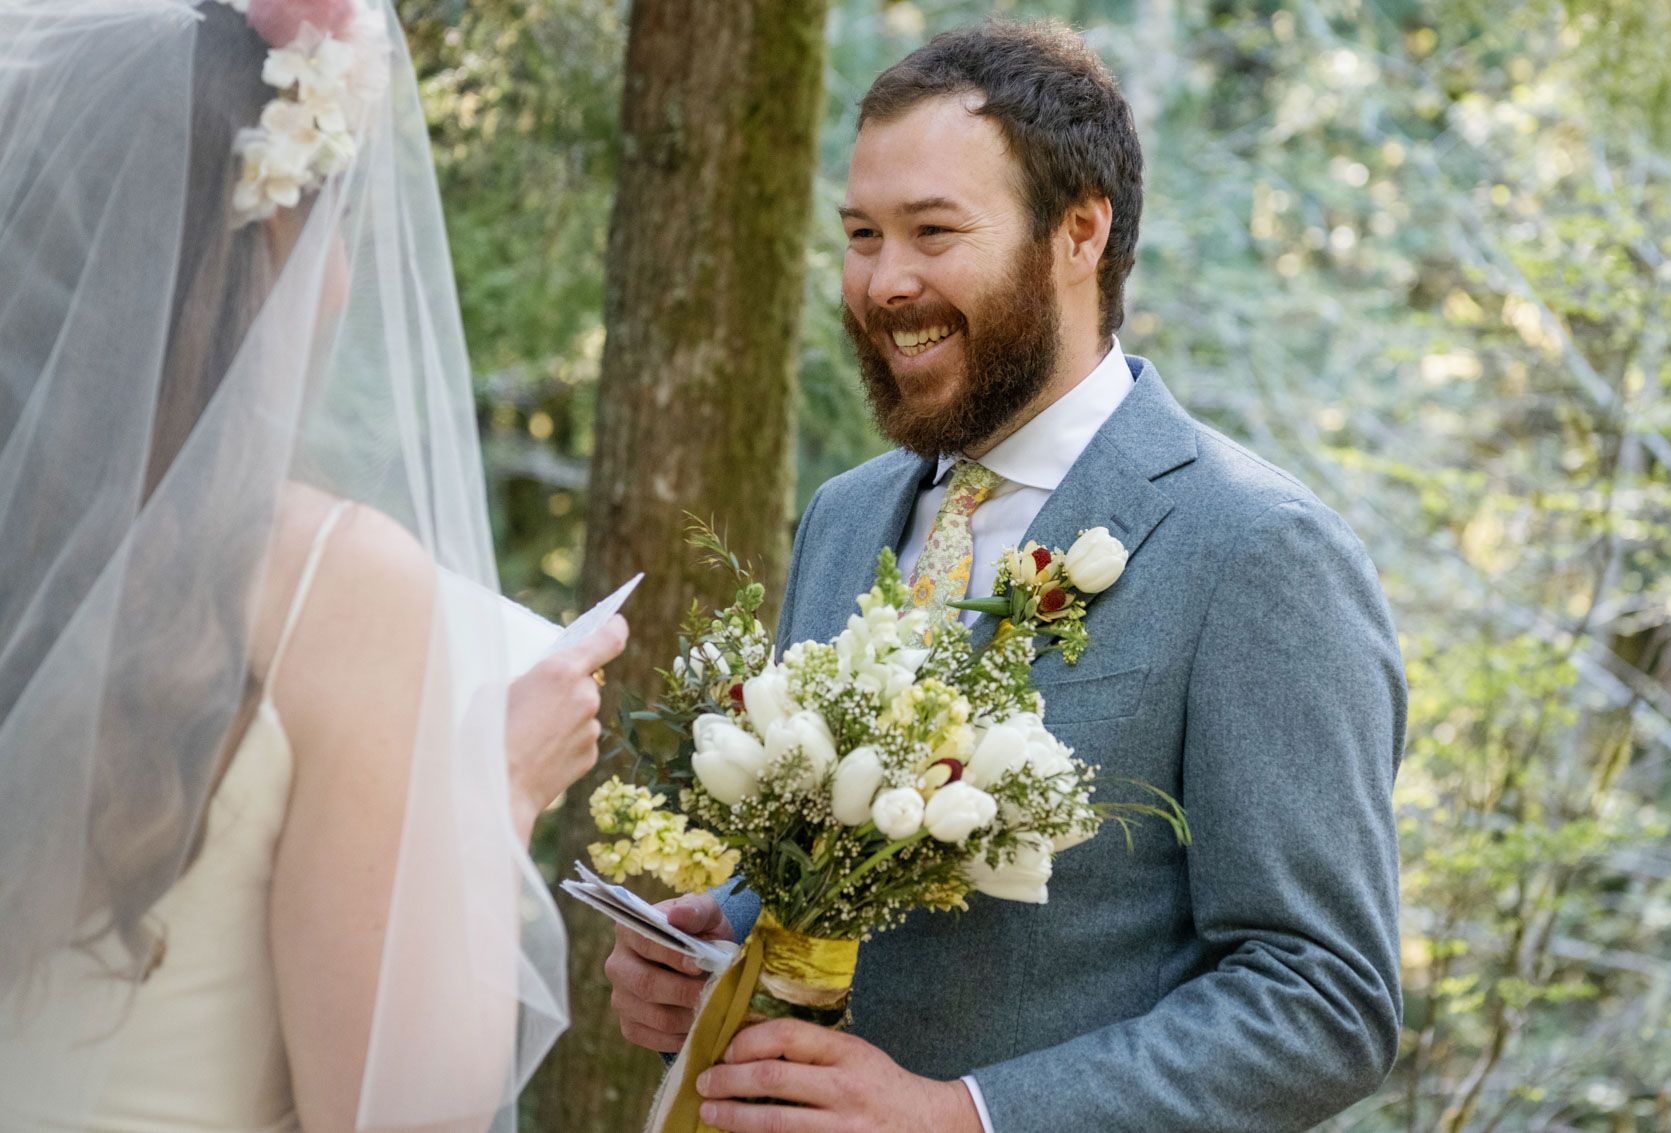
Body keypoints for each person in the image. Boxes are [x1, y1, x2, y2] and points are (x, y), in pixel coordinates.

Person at [604, 19, 1406, 1132]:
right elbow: (830, 877)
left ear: (1078, 233)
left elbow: (1323, 1000)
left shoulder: (1254, 547)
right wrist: (718, 940)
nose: (883, 283)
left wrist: (964, 1114)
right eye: (861, 234)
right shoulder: (843, 517)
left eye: (933, 232)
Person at [0, 2, 624, 1130]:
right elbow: (401, 1110)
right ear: (244, 258)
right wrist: (498, 789)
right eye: (318, 223)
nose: (341, 277)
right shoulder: (333, 583)